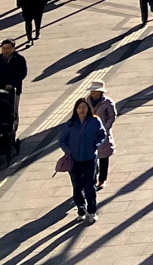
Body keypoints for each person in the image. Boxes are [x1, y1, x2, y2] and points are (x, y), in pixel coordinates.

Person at [58, 96, 109, 224]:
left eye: (84, 107)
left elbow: (102, 135)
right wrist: (68, 150)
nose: (82, 110)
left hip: (89, 159)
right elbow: (62, 140)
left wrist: (96, 145)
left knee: (89, 186)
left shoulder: (95, 121)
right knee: (77, 186)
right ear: (76, 109)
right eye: (79, 108)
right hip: (74, 160)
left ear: (88, 109)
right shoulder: (70, 124)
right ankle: (81, 209)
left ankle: (92, 211)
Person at [86, 81, 118, 190]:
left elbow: (112, 116)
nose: (92, 93)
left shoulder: (107, 102)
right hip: (90, 132)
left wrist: (106, 128)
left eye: (95, 91)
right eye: (92, 91)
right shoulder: (87, 101)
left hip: (103, 132)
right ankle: (93, 178)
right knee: (92, 158)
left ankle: (102, 179)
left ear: (100, 92)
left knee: (104, 158)